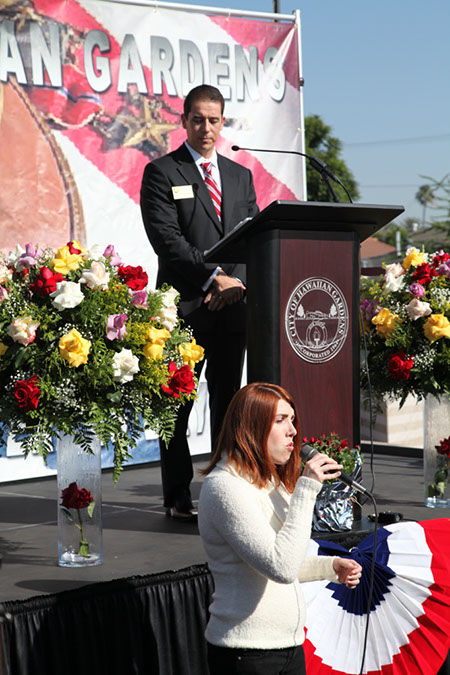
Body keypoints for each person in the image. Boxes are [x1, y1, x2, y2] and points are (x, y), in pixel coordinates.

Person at [140, 84, 259, 521]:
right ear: (184, 120)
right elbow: (167, 241)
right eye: (197, 119)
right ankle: (177, 496)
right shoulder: (162, 172)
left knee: (230, 404)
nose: (205, 127)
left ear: (222, 122)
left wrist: (236, 284)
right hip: (185, 308)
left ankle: (225, 495)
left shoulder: (239, 175)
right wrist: (214, 278)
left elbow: (255, 235)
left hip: (233, 307)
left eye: (213, 120)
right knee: (176, 406)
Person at [198, 382, 362, 675]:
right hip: (246, 654)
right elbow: (281, 567)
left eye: (292, 420)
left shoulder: (267, 482)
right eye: (280, 420)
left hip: (287, 648)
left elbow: (279, 559)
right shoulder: (224, 488)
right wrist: (307, 488)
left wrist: (329, 567)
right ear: (251, 427)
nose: (293, 431)